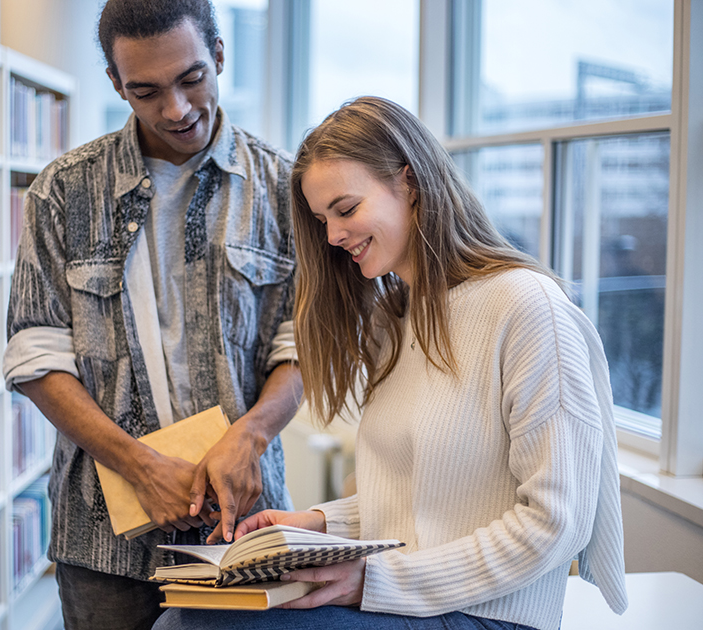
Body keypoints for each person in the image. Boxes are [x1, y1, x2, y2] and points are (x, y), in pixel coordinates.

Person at [153, 96, 628, 630]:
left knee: (199, 628)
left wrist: (373, 580)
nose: (332, 236)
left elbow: (555, 524)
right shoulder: (391, 318)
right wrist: (315, 524)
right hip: (412, 596)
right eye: (321, 218)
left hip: (488, 615)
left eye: (346, 209)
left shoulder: (526, 308)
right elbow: (416, 500)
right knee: (190, 613)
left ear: (410, 183)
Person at [2, 1, 302, 628]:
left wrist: (249, 435)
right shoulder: (62, 191)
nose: (176, 109)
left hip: (244, 525)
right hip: (102, 540)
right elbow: (35, 356)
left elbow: (302, 343)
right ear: (115, 84)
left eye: (192, 77)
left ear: (219, 55)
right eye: (145, 90)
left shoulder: (282, 186)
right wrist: (139, 464)